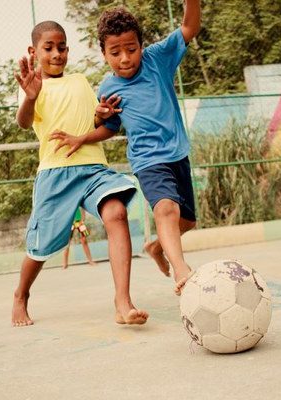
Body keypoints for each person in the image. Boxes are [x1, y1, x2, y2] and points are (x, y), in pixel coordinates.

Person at [11, 20, 148, 327]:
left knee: (116, 213)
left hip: (93, 168)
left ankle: (122, 302)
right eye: (48, 48)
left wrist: (102, 115)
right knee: (39, 247)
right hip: (56, 173)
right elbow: (23, 122)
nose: (56, 54)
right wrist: (30, 97)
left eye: (61, 47)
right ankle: (21, 294)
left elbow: (95, 125)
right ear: (34, 51)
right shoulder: (33, 85)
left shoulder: (80, 82)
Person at [64, 2, 201, 295]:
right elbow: (110, 127)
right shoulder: (108, 89)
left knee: (187, 221)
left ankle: (157, 247)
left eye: (131, 49)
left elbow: (190, 27)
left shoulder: (158, 59)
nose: (125, 58)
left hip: (177, 152)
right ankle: (182, 270)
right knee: (166, 208)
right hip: (147, 160)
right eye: (115, 53)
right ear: (104, 54)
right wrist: (88, 131)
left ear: (141, 45)